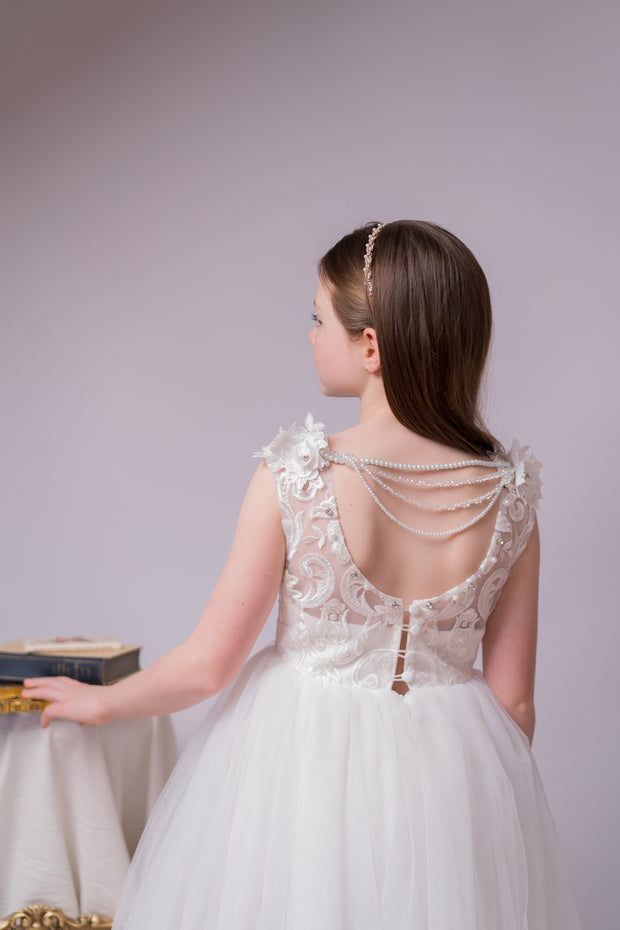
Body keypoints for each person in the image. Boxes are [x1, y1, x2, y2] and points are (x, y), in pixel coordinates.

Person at [22, 220, 582, 930]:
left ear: (370, 347)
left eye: (319, 319)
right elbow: (515, 706)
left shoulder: (299, 474)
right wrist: (471, 802)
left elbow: (208, 665)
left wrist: (103, 703)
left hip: (300, 770)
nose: (311, 335)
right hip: (451, 780)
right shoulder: (510, 496)